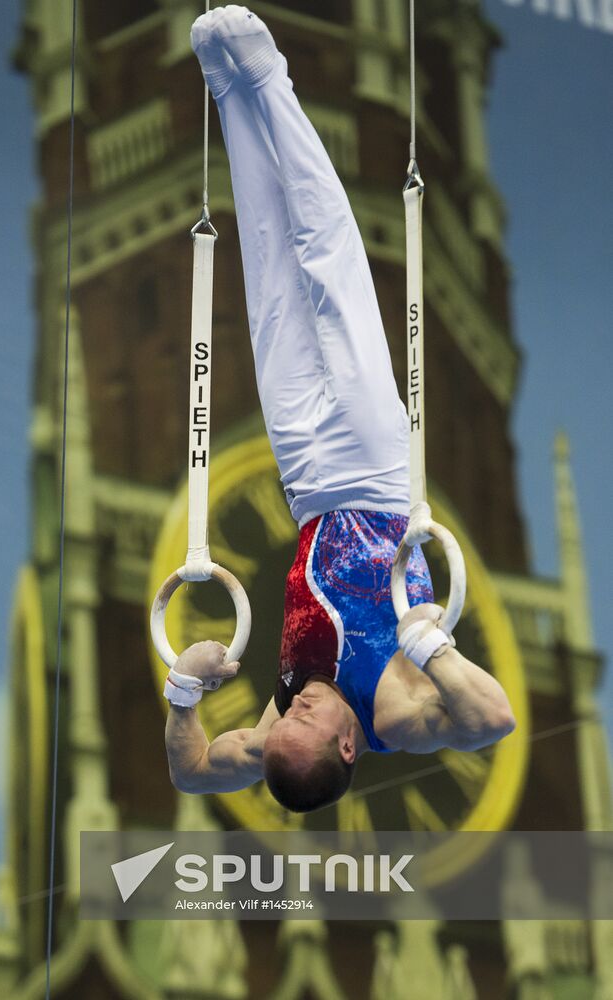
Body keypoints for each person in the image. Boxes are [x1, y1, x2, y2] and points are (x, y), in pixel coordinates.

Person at [163, 6, 515, 813]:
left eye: (280, 714)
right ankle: (266, 76)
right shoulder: (396, 712)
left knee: (271, 291)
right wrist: (430, 646)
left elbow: (192, 771)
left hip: (307, 486)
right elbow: (491, 717)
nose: (291, 705)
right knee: (328, 266)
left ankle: (225, 91)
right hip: (377, 476)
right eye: (309, 717)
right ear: (348, 744)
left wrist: (185, 693)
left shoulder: (281, 723)